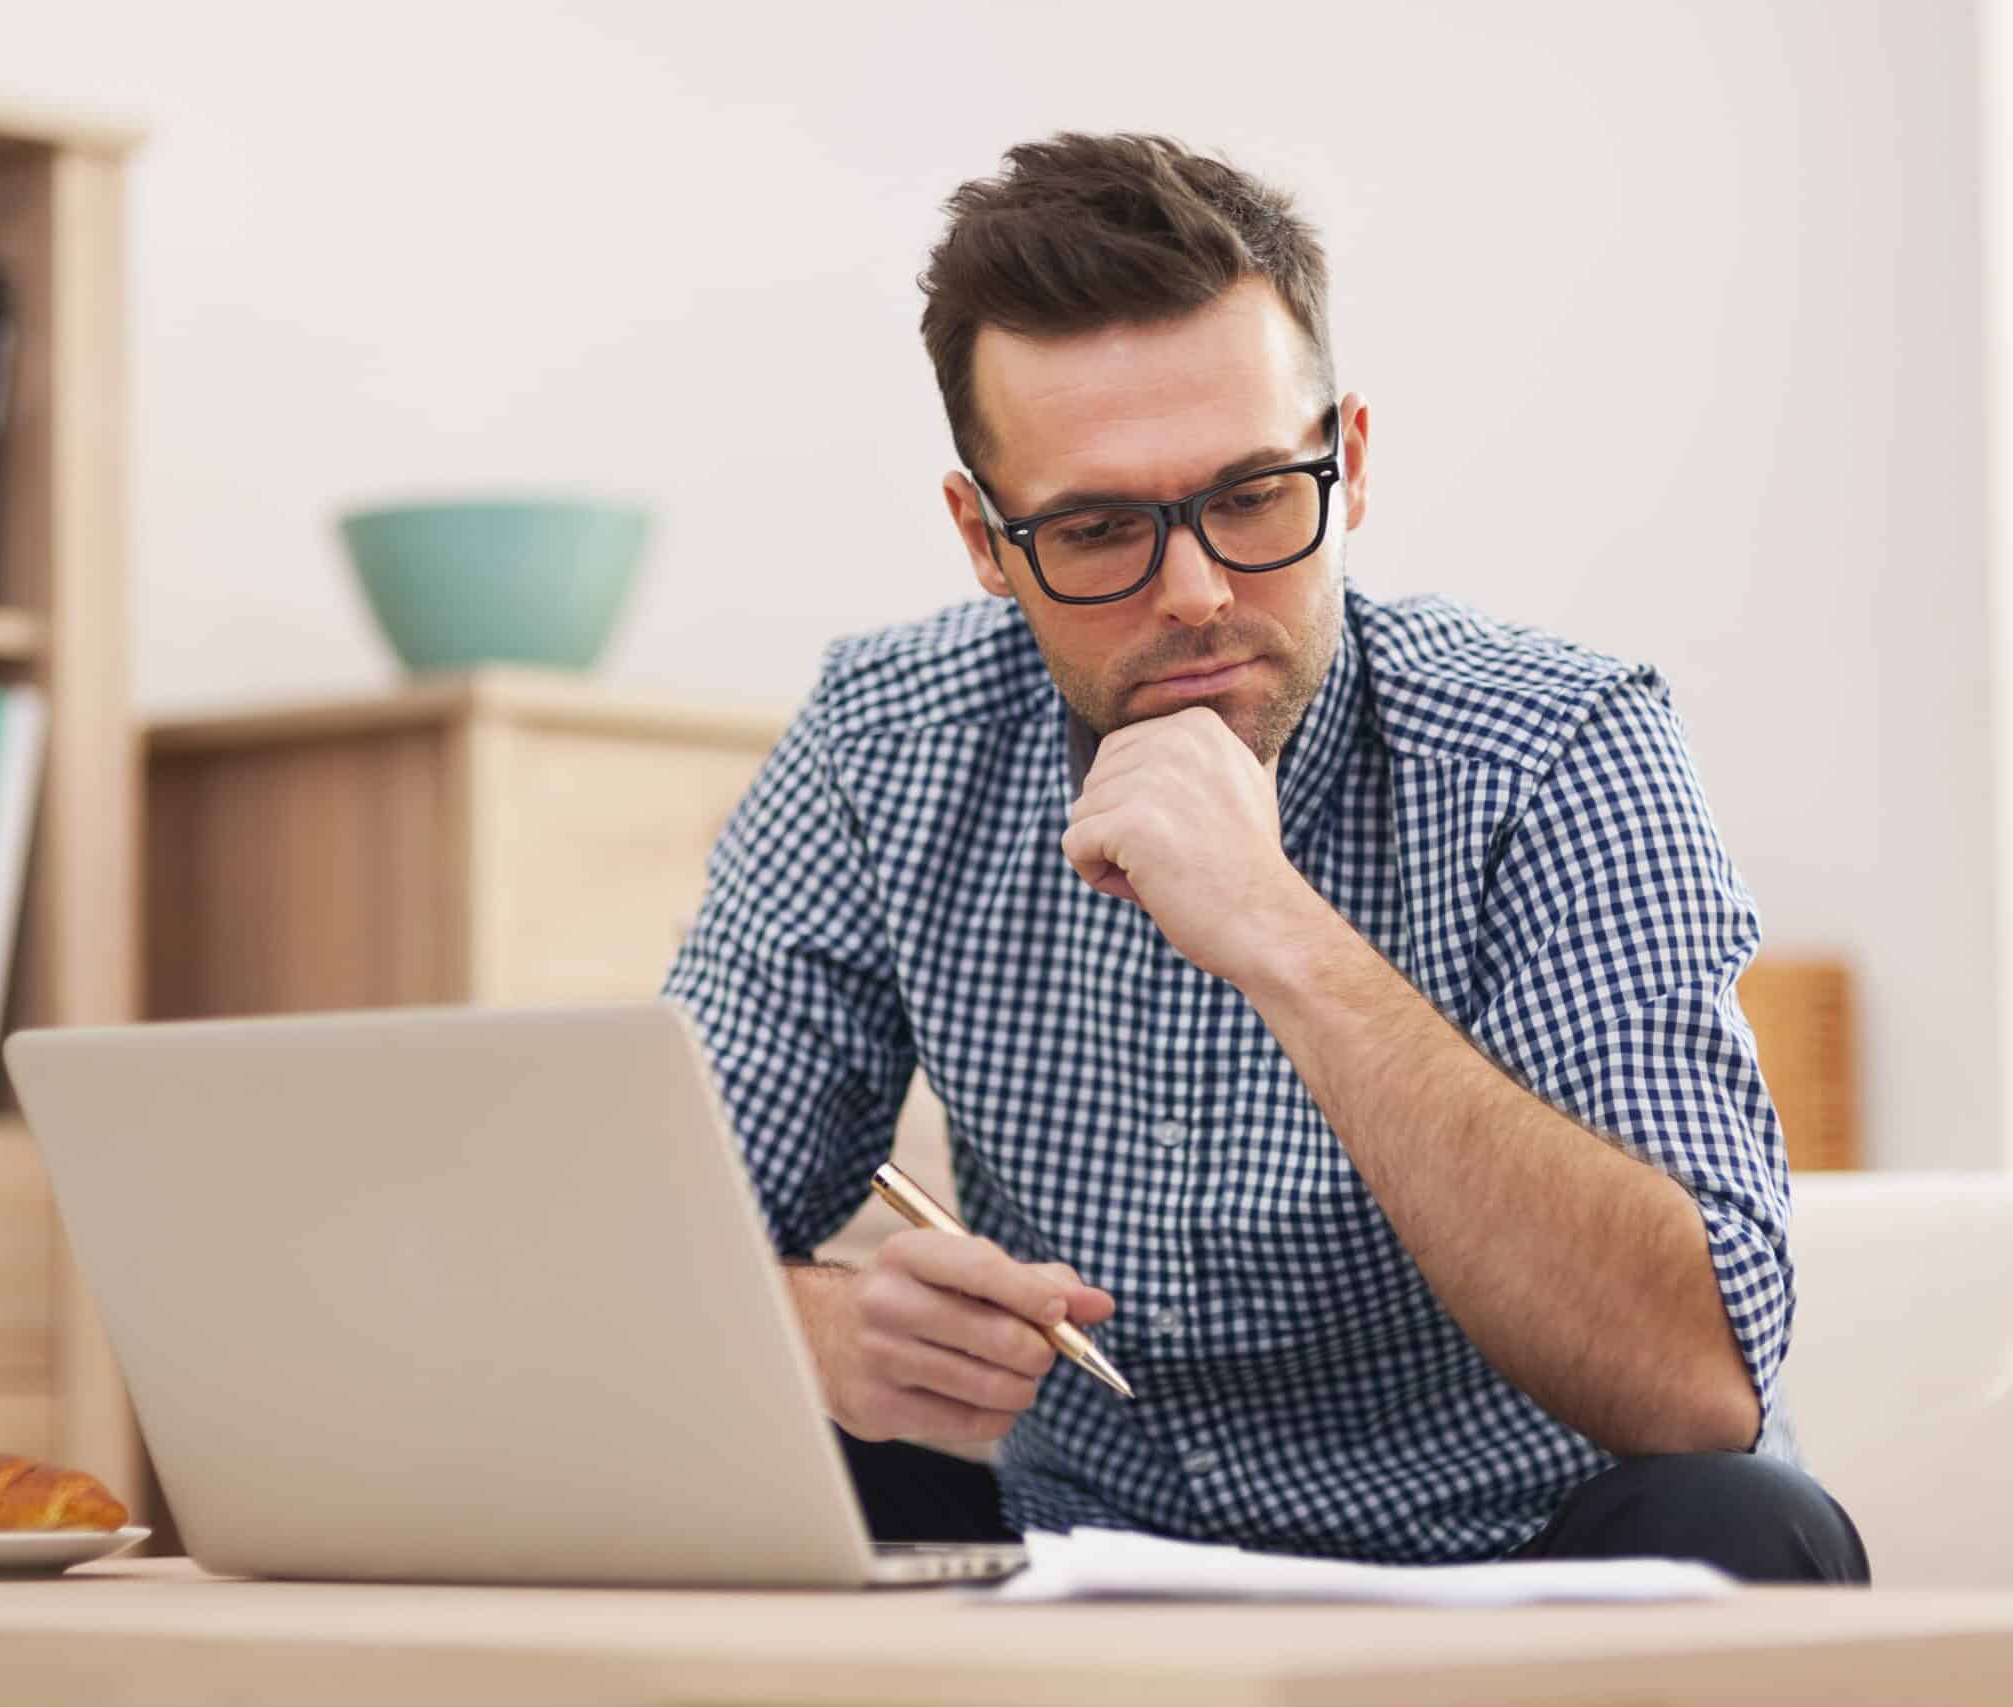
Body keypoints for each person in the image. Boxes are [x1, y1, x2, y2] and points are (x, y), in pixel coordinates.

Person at [661, 131, 1866, 1584]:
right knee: (771, 1460)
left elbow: (1699, 1382)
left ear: (1347, 464)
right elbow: (642, 1255)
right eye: (1100, 529)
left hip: (1523, 1563)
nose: (1196, 594)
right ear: (984, 539)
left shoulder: (1558, 744)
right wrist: (830, 1336)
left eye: (1250, 499)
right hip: (1076, 1558)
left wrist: (1278, 929)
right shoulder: (886, 742)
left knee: (1745, 1530)